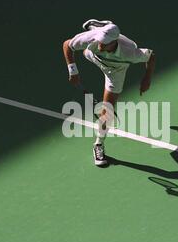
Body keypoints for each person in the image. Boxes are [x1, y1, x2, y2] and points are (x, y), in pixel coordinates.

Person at [62, 19, 156, 166]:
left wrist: (147, 78)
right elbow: (67, 45)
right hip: (93, 56)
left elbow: (151, 56)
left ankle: (98, 144)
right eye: (100, 40)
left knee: (108, 114)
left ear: (115, 42)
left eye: (105, 42)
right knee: (88, 47)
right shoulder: (93, 40)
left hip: (115, 70)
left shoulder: (130, 52)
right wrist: (73, 71)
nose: (101, 44)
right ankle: (99, 26)